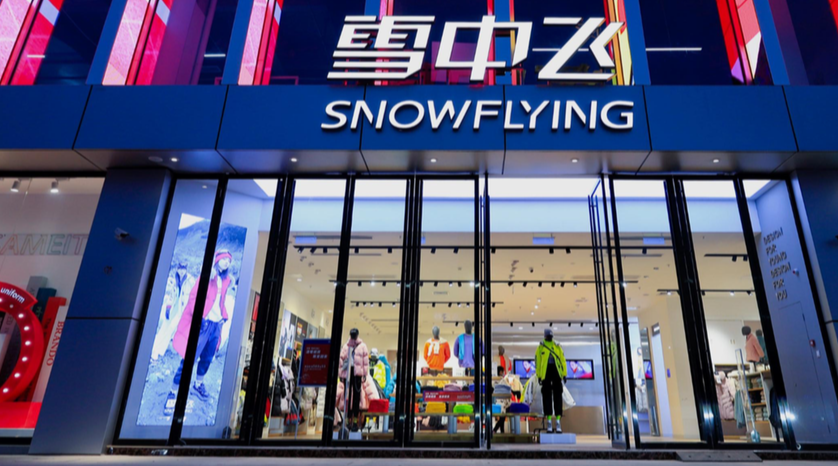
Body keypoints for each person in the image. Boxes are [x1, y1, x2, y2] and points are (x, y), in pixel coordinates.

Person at [165, 250, 235, 415]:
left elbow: (221, 301)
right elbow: (193, 297)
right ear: (217, 260)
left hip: (216, 325)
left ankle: (198, 384)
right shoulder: (207, 277)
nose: (227, 263)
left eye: (229, 261)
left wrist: (224, 317)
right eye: (224, 259)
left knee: (207, 358)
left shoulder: (226, 280)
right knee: (189, 357)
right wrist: (200, 316)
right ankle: (173, 392)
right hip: (203, 323)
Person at [152, 261, 195, 360]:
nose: (182, 271)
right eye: (180, 269)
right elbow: (172, 294)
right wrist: (168, 307)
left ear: (186, 270)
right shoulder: (176, 279)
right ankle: (154, 347)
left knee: (171, 328)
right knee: (165, 326)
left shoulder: (190, 280)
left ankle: (158, 350)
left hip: (183, 310)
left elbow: (194, 296)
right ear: (177, 269)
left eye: (183, 269)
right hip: (174, 307)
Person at [536, 328, 567, 433]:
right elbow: (538, 362)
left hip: (556, 372)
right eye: (548, 336)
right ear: (545, 336)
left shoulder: (557, 346)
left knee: (558, 396)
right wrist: (539, 375)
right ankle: (549, 421)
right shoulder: (540, 347)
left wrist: (564, 374)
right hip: (545, 373)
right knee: (546, 397)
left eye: (551, 336)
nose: (549, 338)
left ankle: (558, 422)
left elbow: (562, 360)